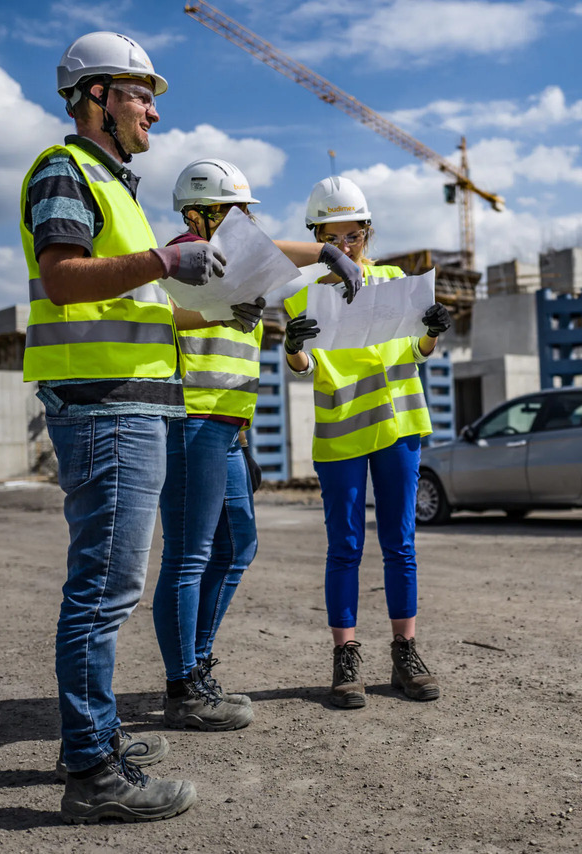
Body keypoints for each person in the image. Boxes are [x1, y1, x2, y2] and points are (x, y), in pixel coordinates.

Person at [21, 32, 266, 823]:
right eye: (137, 94)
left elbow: (135, 298)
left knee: (111, 585)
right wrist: (165, 262)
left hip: (132, 407)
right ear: (94, 97)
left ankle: (92, 740)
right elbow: (63, 279)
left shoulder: (114, 186)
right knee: (104, 590)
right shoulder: (68, 170)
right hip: (106, 408)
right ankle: (93, 772)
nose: (153, 108)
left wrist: (176, 277)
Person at [153, 158, 364, 730]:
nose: (244, 220)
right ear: (198, 213)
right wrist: (320, 254)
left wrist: (326, 254)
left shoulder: (238, 259)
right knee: (190, 554)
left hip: (227, 425)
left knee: (237, 547)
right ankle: (183, 686)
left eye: (245, 210)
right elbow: (159, 317)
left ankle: (195, 664)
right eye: (233, 210)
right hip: (192, 419)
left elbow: (274, 251)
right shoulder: (179, 257)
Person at [282, 176, 454, 709]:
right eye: (335, 238)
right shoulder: (300, 293)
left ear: (367, 232)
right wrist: (291, 349)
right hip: (341, 433)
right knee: (345, 548)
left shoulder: (393, 279)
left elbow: (415, 353)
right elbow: (304, 364)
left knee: (400, 544)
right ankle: (346, 657)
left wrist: (431, 332)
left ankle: (406, 652)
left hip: (399, 425)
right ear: (317, 237)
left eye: (354, 235)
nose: (347, 247)